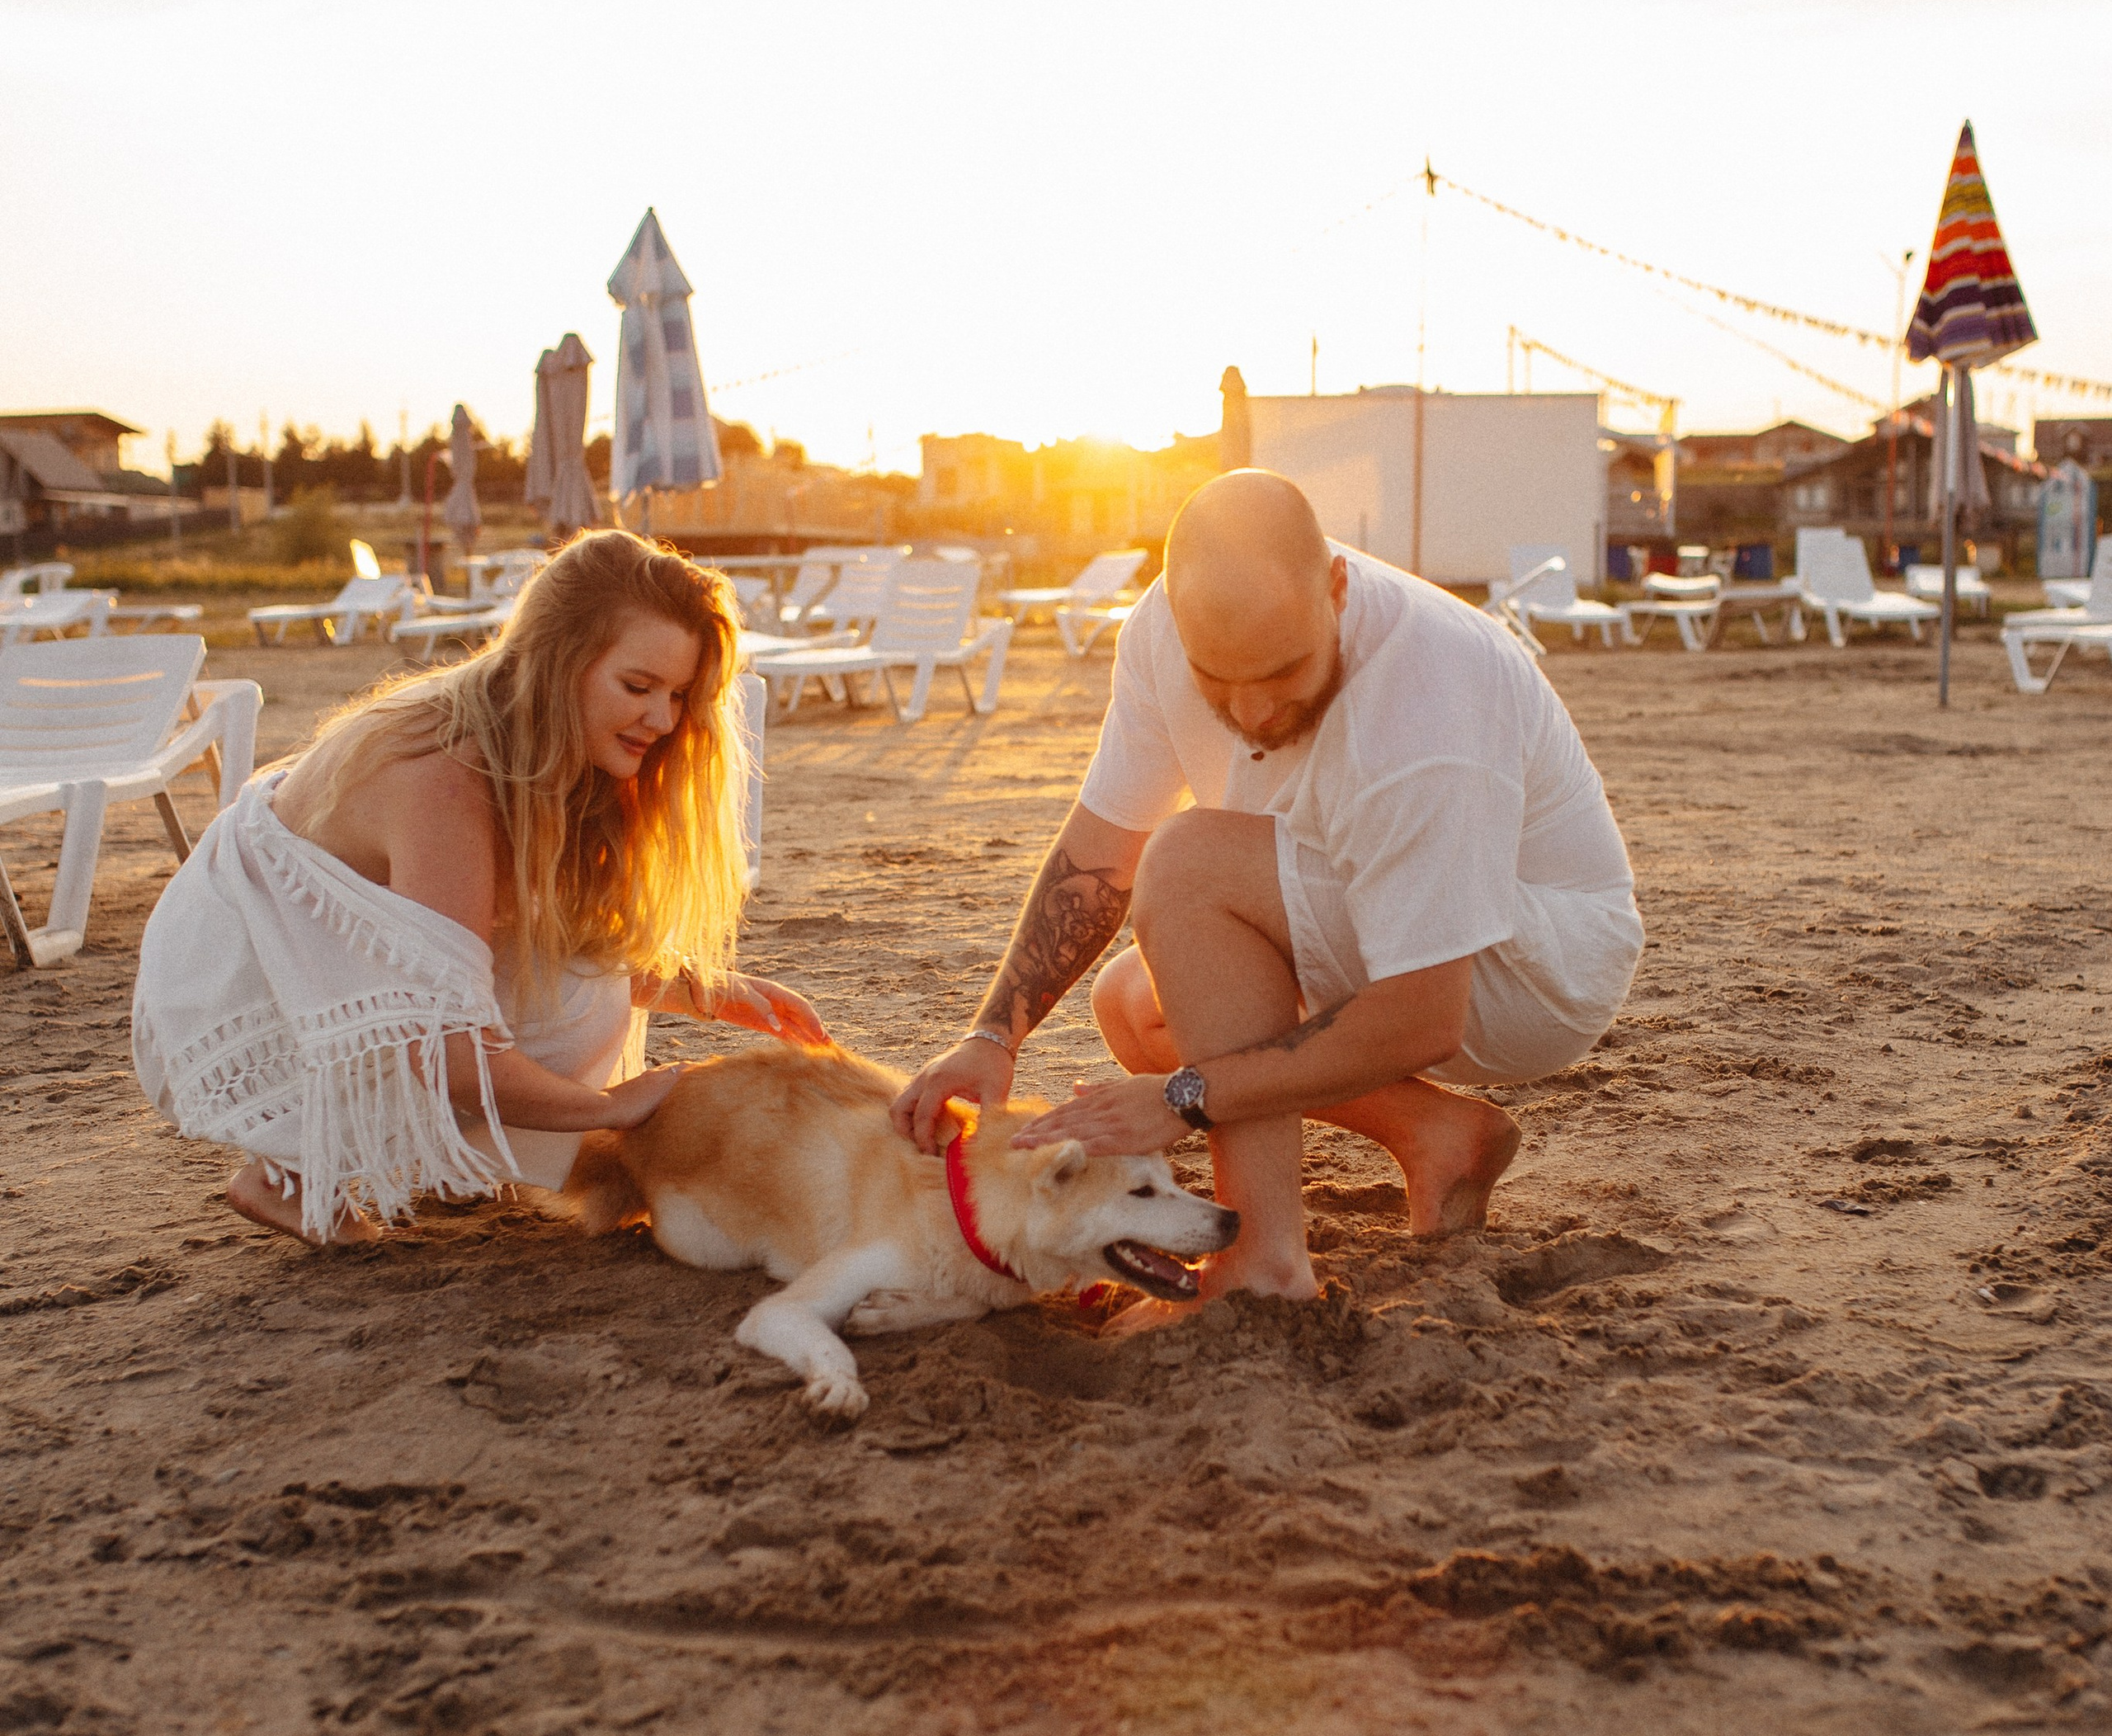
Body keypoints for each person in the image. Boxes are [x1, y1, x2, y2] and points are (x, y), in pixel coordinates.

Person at [892, 471, 1642, 1313]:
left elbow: (1423, 1014)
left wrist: (1185, 1099)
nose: (1251, 714)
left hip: (1531, 967)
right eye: (1219, 681)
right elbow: (1102, 852)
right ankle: (1434, 1134)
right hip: (1387, 921)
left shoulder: (1424, 700)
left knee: (1189, 864)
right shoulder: (1158, 634)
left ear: (1336, 588)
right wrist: (993, 1036)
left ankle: (1261, 1263)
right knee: (1136, 1006)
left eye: (1282, 673)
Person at [134, 528, 824, 1243]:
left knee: (588, 978)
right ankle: (296, 1171)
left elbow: (539, 933)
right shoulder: (447, 775)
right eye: (638, 686)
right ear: (560, 663)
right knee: (579, 1002)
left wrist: (708, 990)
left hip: (289, 962)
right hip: (223, 988)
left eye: (679, 694)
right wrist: (612, 1109)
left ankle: (348, 1162)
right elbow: (454, 1058)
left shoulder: (533, 745)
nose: (663, 719)